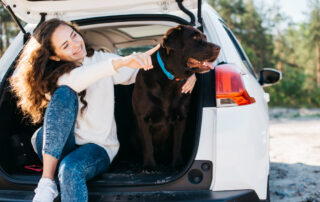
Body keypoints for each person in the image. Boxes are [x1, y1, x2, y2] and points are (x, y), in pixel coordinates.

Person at [9, 18, 196, 202]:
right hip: (57, 144)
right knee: (64, 93)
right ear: (54, 56)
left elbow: (140, 71)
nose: (75, 45)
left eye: (74, 35)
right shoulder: (56, 77)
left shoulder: (101, 59)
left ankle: (51, 179)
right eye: (65, 45)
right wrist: (119, 64)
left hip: (98, 147)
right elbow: (80, 77)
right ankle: (47, 181)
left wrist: (187, 74)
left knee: (70, 169)